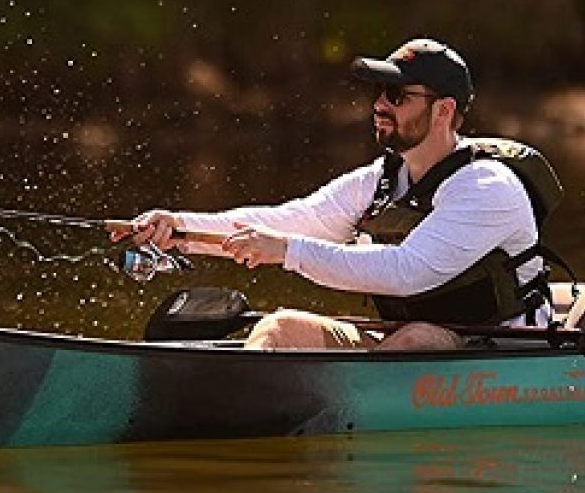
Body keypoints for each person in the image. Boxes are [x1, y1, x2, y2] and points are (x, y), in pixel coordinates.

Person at [125, 37, 552, 351]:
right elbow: (286, 221)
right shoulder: (379, 181)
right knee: (280, 328)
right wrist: (179, 227)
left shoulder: (486, 188)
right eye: (379, 93)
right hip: (407, 343)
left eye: (397, 95)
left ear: (443, 111)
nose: (380, 105)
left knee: (415, 341)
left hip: (500, 345)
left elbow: (408, 272)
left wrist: (286, 252)